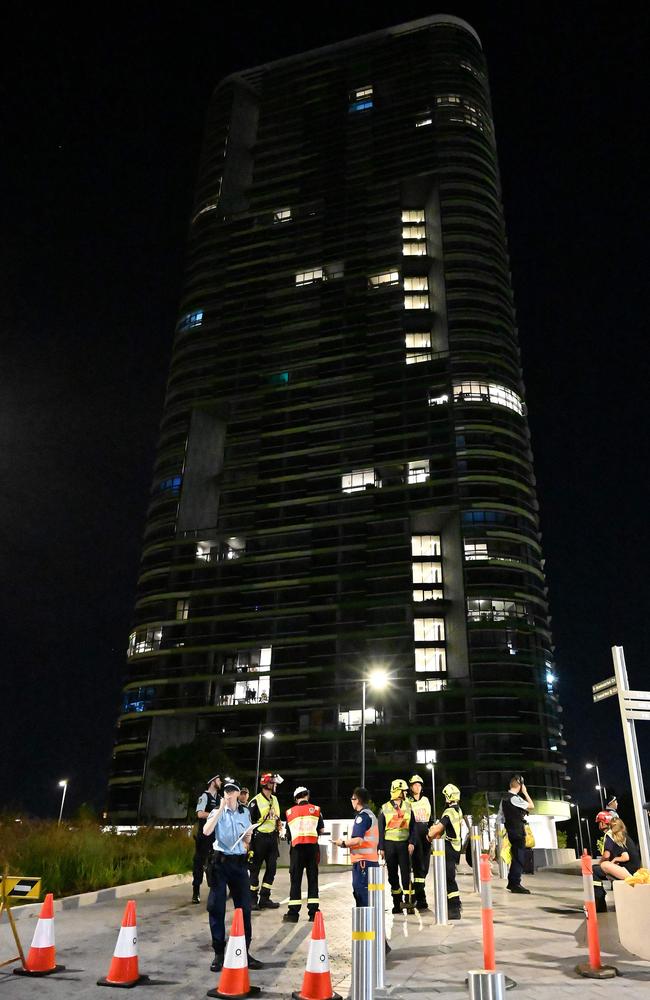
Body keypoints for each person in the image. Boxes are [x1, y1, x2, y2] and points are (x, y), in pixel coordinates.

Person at [203, 779, 264, 973]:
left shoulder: (244, 812)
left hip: (238, 864)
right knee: (217, 908)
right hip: (220, 864)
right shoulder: (216, 811)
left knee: (244, 909)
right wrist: (220, 808)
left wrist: (247, 839)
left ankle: (244, 951)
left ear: (239, 794)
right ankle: (219, 953)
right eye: (227, 790)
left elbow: (247, 836)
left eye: (233, 791)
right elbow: (206, 831)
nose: (230, 793)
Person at [283, 786, 324, 922]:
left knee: (295, 880)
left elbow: (287, 834)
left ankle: (293, 914)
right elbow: (321, 830)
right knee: (313, 879)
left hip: (297, 850)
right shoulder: (316, 810)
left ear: (296, 798)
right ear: (307, 796)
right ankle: (313, 913)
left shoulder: (290, 812)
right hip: (312, 849)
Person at [426, 783, 463, 919]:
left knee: (449, 878)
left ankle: (454, 908)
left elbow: (438, 829)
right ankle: (453, 906)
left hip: (449, 847)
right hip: (455, 847)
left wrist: (429, 834)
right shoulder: (458, 810)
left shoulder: (449, 812)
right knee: (449, 877)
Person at [378, 778, 415, 913]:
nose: (406, 793)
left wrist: (411, 842)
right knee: (392, 875)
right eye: (404, 791)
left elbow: (413, 827)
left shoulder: (408, 806)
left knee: (406, 874)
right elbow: (381, 829)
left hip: (404, 844)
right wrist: (381, 847)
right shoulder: (385, 807)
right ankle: (397, 903)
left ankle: (409, 901)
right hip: (389, 845)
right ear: (398, 792)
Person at [248, 772, 283, 910]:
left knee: (272, 869)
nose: (275, 785)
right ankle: (252, 899)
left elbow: (277, 817)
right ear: (266, 784)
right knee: (255, 869)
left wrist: (279, 826)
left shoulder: (274, 799)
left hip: (272, 838)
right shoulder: (255, 801)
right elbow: (249, 823)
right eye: (273, 783)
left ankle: (265, 898)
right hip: (259, 838)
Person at [500, 774, 534, 894]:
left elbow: (501, 817)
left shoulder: (504, 798)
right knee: (519, 857)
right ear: (519, 786)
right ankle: (515, 883)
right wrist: (525, 793)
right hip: (518, 831)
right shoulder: (515, 798)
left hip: (510, 830)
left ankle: (512, 882)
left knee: (516, 856)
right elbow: (531, 806)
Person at [192, 774, 222, 904]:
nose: (220, 782)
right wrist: (214, 814)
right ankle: (196, 891)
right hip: (204, 836)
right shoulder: (204, 796)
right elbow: (199, 813)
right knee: (199, 862)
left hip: (216, 836)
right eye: (218, 780)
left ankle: (215, 890)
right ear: (212, 782)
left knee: (216, 863)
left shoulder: (220, 798)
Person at [407, 774, 432, 910]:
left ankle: (418, 893)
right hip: (414, 835)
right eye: (415, 784)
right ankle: (420, 898)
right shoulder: (407, 801)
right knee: (417, 868)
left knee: (425, 867)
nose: (417, 786)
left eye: (419, 784)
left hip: (425, 836)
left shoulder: (426, 800)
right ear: (411, 787)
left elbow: (430, 818)